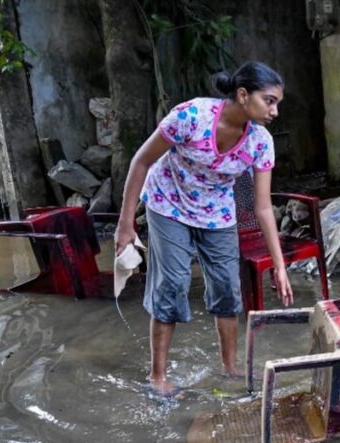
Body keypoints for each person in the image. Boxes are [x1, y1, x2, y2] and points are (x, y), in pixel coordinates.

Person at [114, 61, 294, 395]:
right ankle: (158, 376)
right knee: (173, 283)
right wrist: (125, 225)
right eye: (269, 101)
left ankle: (230, 367)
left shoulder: (260, 141)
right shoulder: (191, 117)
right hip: (168, 203)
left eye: (277, 103)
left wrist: (279, 266)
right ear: (243, 95)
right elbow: (142, 160)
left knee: (227, 285)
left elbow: (263, 207)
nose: (275, 111)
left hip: (217, 212)